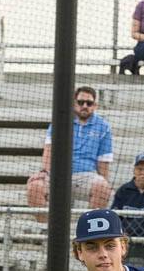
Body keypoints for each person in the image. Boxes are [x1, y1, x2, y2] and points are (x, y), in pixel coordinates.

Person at [26, 87, 113, 220]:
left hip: (87, 176)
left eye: (89, 103)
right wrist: (44, 172)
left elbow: (103, 161)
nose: (84, 106)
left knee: (103, 188)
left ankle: (89, 232)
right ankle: (45, 232)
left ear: (95, 106)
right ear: (74, 103)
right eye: (81, 102)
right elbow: (49, 150)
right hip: (58, 175)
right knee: (34, 186)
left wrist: (105, 184)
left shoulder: (103, 127)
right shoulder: (59, 121)